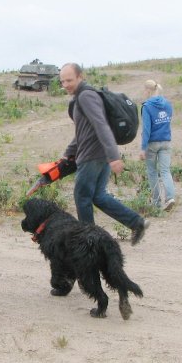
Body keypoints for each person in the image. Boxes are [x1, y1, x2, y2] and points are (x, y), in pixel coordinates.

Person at [60, 63, 149, 245]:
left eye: (69, 80)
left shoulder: (86, 96)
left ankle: (89, 240)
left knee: (82, 196)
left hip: (92, 156)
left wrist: (114, 156)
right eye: (62, 81)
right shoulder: (83, 97)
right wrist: (68, 153)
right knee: (98, 196)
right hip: (98, 154)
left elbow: (101, 125)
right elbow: (84, 132)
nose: (66, 84)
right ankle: (136, 222)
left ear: (80, 77)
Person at [139, 79, 176, 211]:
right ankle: (170, 197)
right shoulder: (167, 104)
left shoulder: (147, 106)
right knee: (165, 171)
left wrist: (143, 148)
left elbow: (146, 129)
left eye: (144, 90)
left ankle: (156, 202)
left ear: (148, 90)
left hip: (152, 143)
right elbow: (168, 120)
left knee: (152, 172)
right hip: (166, 141)